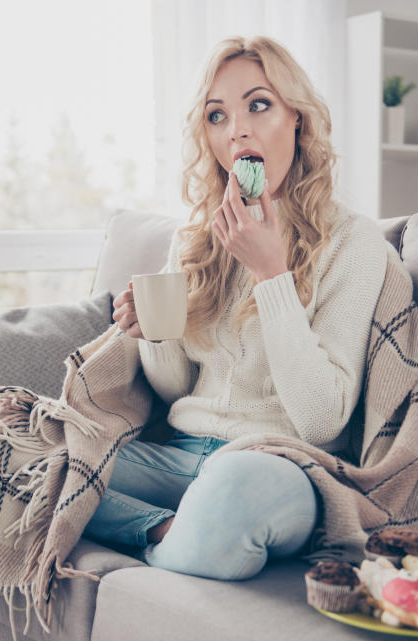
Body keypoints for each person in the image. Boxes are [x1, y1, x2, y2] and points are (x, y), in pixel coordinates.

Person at [83, 35, 389, 581]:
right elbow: (178, 389)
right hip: (178, 457)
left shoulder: (354, 244)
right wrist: (153, 333)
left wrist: (271, 274)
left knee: (233, 488)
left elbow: (321, 420)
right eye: (217, 115)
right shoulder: (197, 239)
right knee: (42, 458)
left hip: (274, 466)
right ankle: (170, 534)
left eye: (259, 104)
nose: (238, 129)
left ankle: (170, 532)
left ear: (297, 117)